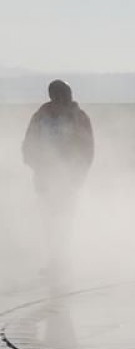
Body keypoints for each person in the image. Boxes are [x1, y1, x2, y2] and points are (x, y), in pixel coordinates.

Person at [21, 78, 94, 270]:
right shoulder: (40, 117)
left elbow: (87, 148)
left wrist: (79, 172)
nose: (66, 99)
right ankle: (54, 259)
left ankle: (62, 259)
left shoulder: (79, 118)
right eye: (62, 95)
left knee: (64, 217)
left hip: (69, 175)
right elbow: (29, 143)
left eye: (68, 95)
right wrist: (34, 161)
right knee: (48, 218)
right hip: (44, 175)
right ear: (53, 96)